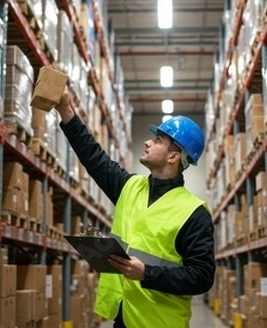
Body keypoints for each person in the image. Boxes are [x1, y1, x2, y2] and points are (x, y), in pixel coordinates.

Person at [55, 90, 215, 328]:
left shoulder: (194, 212)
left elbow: (202, 277)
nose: (148, 141)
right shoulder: (130, 186)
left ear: (173, 156)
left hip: (160, 323)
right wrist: (66, 111)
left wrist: (147, 273)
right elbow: (93, 157)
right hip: (124, 315)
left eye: (158, 139)